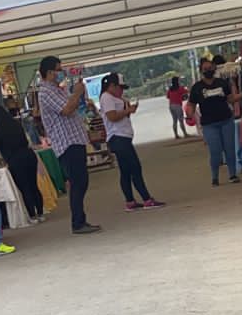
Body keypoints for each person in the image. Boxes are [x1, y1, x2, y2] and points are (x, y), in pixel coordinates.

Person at [37, 56, 101, 235]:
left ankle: (80, 220)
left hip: (75, 139)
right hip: (66, 143)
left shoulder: (58, 89)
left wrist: (77, 95)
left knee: (82, 181)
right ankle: (78, 222)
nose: (61, 73)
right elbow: (66, 109)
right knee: (78, 182)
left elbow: (72, 107)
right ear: (50, 72)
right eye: (59, 70)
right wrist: (77, 93)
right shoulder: (46, 92)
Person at [98, 74, 164, 212]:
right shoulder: (106, 97)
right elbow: (112, 116)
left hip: (121, 137)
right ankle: (147, 199)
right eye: (120, 88)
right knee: (135, 168)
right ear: (112, 86)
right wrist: (127, 110)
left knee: (126, 171)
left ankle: (130, 201)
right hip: (118, 137)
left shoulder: (113, 98)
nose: (121, 91)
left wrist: (127, 108)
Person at [189, 56, 240, 187]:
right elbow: (191, 104)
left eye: (210, 68)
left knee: (230, 148)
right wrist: (189, 114)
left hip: (226, 119)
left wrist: (241, 95)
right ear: (201, 70)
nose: (208, 70)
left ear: (214, 68)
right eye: (205, 69)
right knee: (215, 151)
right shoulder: (197, 88)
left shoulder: (222, 83)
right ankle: (215, 176)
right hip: (209, 124)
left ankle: (232, 174)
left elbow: (230, 99)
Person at [0, 103, 44, 222]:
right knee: (33, 185)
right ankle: (41, 212)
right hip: (29, 155)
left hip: (15, 160)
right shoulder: (16, 124)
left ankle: (32, 215)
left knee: (25, 188)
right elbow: (25, 140)